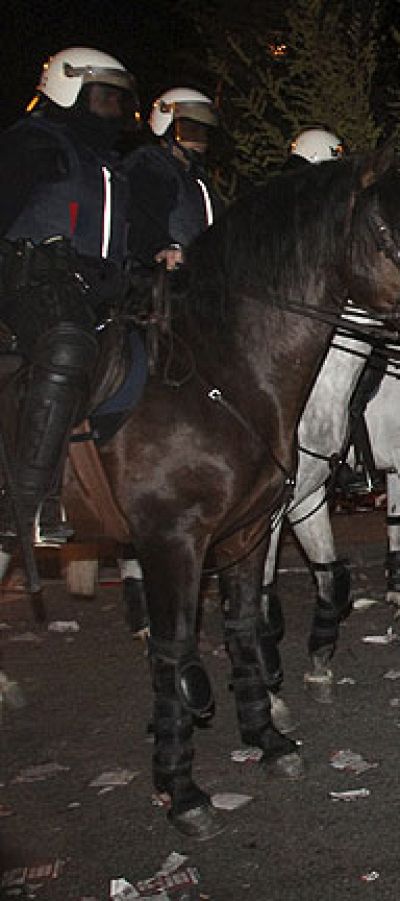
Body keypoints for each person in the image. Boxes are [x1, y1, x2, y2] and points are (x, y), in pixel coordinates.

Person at [1, 47, 139, 546]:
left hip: (98, 291)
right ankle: (26, 502)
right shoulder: (33, 142)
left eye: (118, 100)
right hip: (33, 282)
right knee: (67, 344)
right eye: (103, 97)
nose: (113, 110)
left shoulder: (108, 165)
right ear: (68, 87)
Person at [122, 88, 220, 270]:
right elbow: (141, 217)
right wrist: (163, 247)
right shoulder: (152, 166)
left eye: (203, 133)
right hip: (161, 280)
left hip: (198, 279)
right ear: (165, 127)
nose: (198, 141)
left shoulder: (198, 179)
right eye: (190, 131)